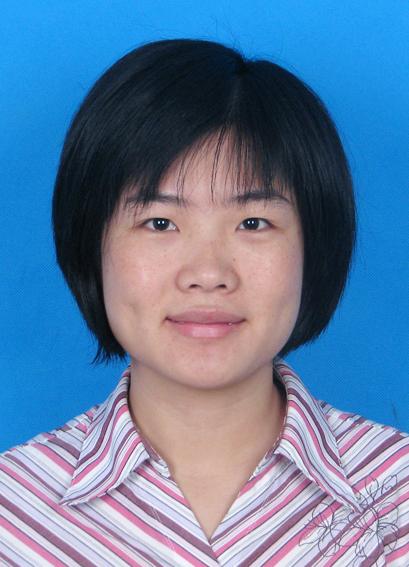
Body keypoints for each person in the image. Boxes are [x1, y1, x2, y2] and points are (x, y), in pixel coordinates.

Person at [0, 38, 408, 566]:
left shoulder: (396, 496)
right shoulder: (14, 512)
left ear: (318, 247)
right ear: (89, 244)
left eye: (253, 223)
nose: (209, 274)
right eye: (160, 223)